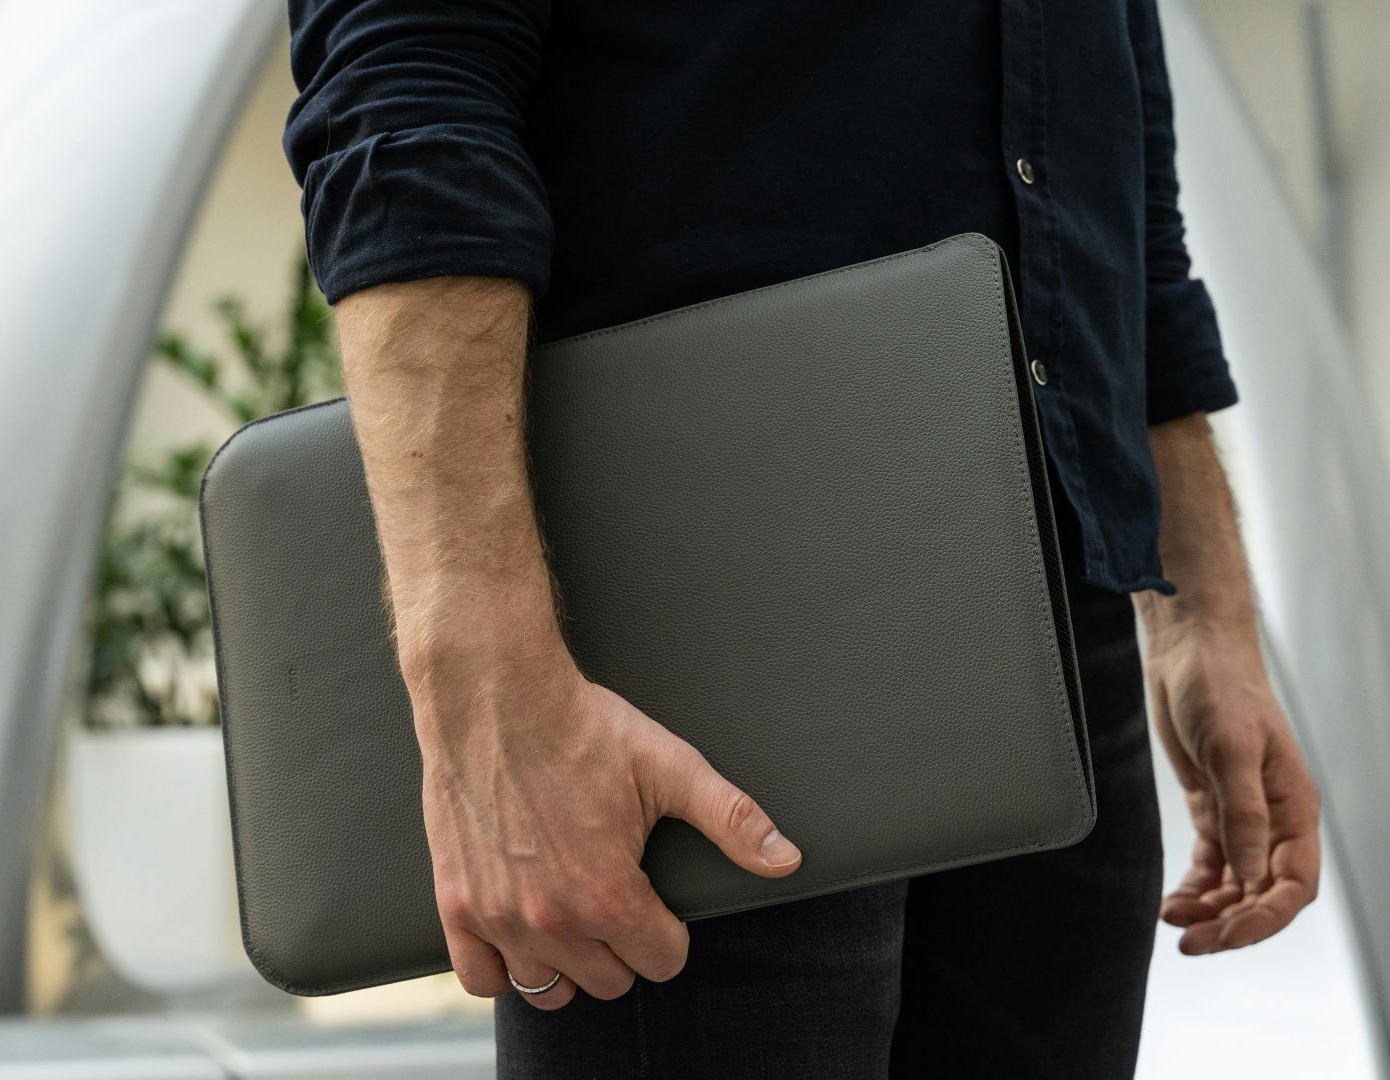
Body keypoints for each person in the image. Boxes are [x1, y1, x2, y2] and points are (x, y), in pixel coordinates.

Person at [280, 1, 1323, 1075]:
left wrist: (1203, 611)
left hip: (1055, 625)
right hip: (702, 638)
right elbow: (404, 96)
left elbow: (1126, 171)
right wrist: (487, 698)